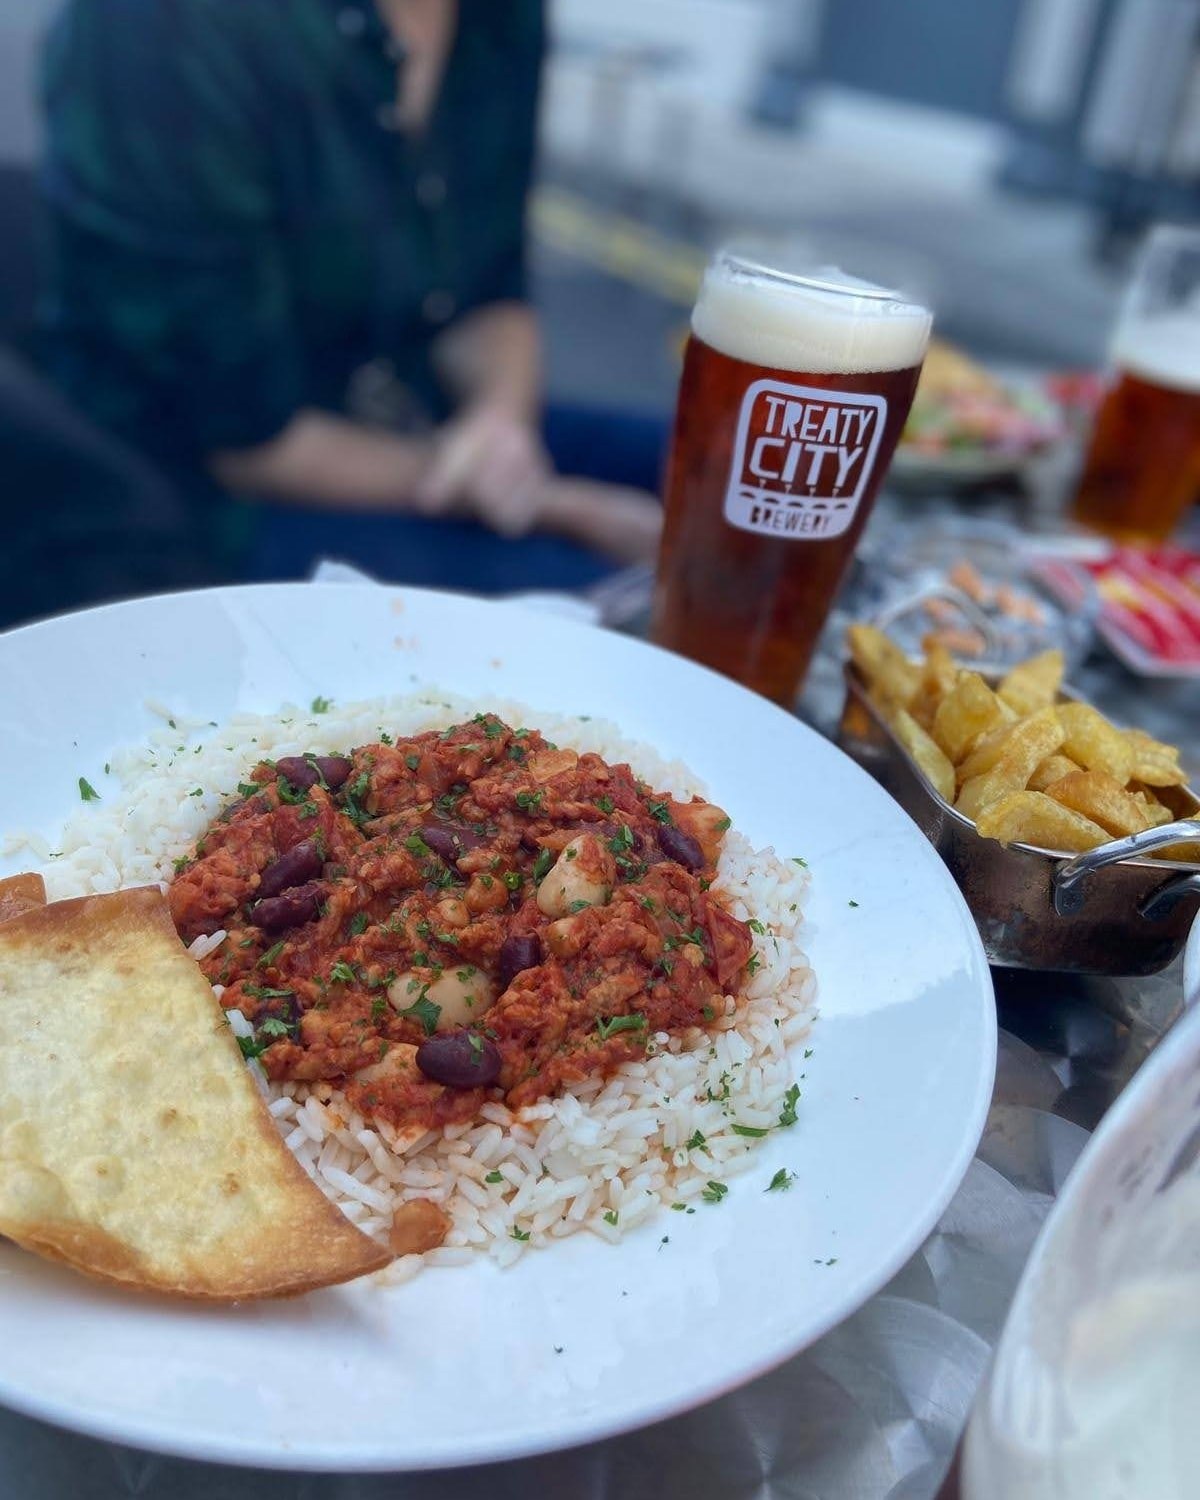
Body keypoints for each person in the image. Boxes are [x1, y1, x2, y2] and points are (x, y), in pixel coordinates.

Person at [34, 0, 664, 596]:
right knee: (606, 602)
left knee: (698, 471)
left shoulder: (496, 14)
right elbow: (240, 432)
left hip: (403, 410)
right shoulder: (167, 23)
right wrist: (556, 507)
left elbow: (489, 287)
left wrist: (500, 424)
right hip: (200, 493)